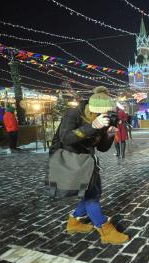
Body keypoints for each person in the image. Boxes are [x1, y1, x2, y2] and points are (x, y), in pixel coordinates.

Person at [49, 86, 129, 245]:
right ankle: (104, 229)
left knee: (95, 191)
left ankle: (74, 222)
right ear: (93, 108)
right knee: (91, 195)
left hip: (87, 159)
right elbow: (66, 138)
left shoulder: (102, 117)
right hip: (69, 158)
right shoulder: (73, 114)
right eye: (100, 112)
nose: (103, 115)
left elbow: (102, 148)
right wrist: (92, 126)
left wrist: (109, 135)